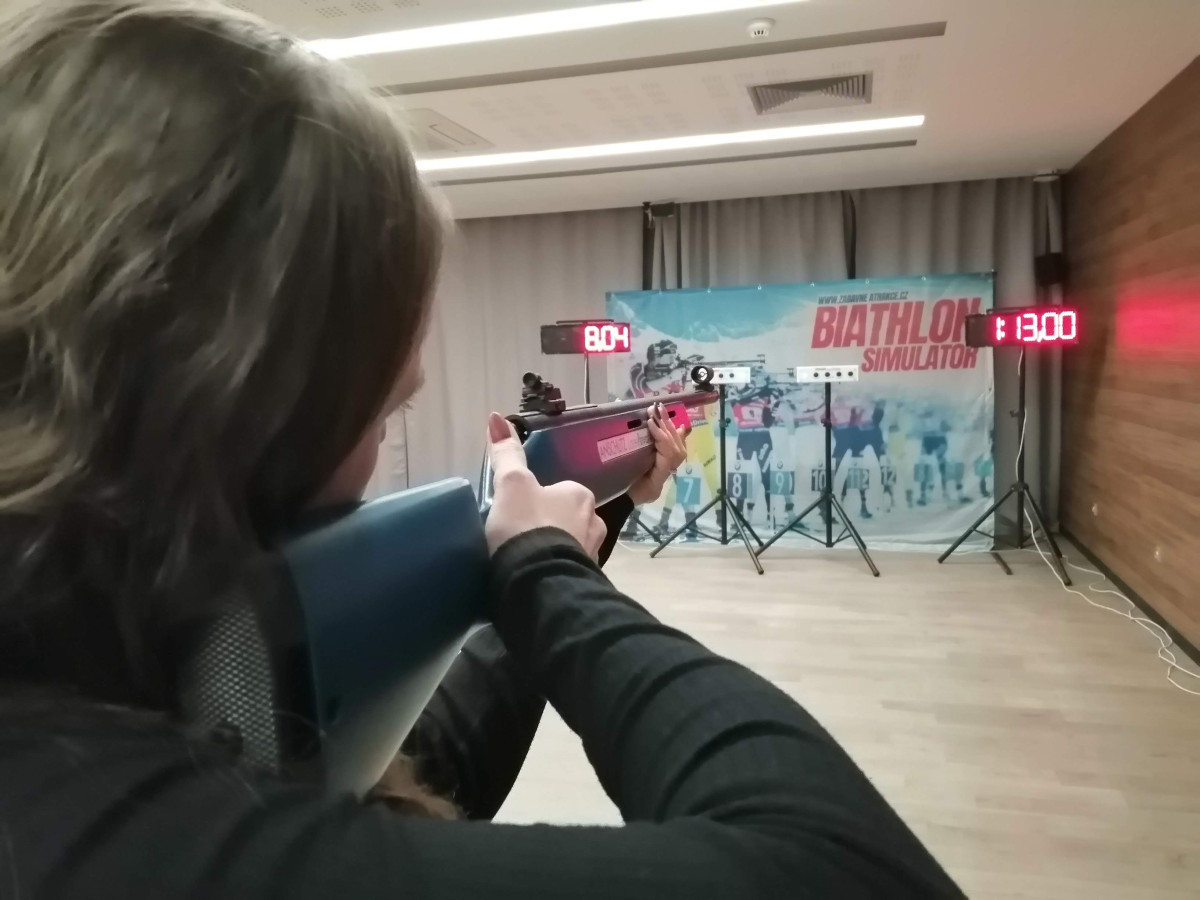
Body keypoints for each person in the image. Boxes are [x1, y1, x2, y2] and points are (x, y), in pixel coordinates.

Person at [0, 2, 964, 898]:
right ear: (246, 414)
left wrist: (576, 522)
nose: (375, 452)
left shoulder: (131, 689)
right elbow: (842, 868)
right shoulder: (89, 821)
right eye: (382, 416)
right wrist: (545, 572)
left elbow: (415, 781)